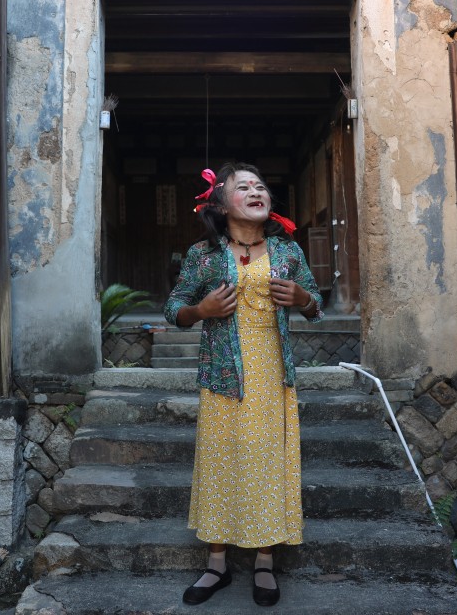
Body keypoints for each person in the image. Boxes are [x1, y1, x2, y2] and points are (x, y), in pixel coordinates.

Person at [163, 162, 323, 607]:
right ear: (219, 203)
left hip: (272, 371)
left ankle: (264, 562)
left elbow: (316, 305)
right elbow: (173, 307)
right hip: (221, 372)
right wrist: (201, 311)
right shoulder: (203, 255)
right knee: (221, 458)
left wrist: (304, 298)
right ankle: (216, 565)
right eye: (243, 186)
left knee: (266, 459)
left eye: (261, 185)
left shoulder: (287, 251)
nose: (256, 191)